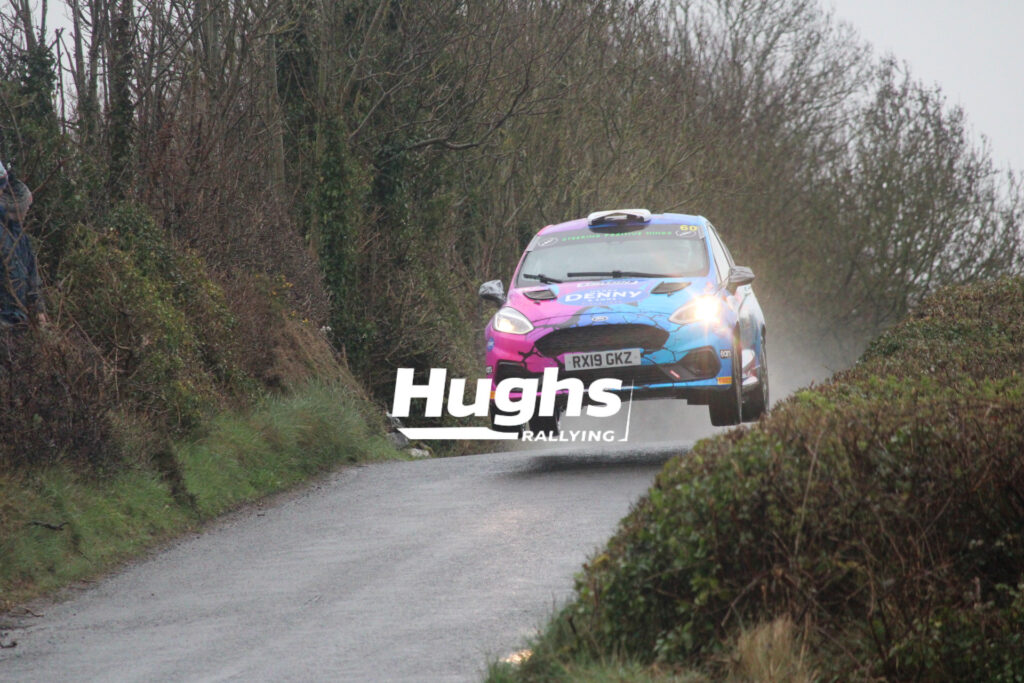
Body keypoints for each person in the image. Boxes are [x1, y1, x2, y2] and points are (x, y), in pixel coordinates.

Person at [1, 162, 47, 330]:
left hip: (17, 323)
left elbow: (31, 277)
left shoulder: (21, 238)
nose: (27, 211)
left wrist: (39, 310)